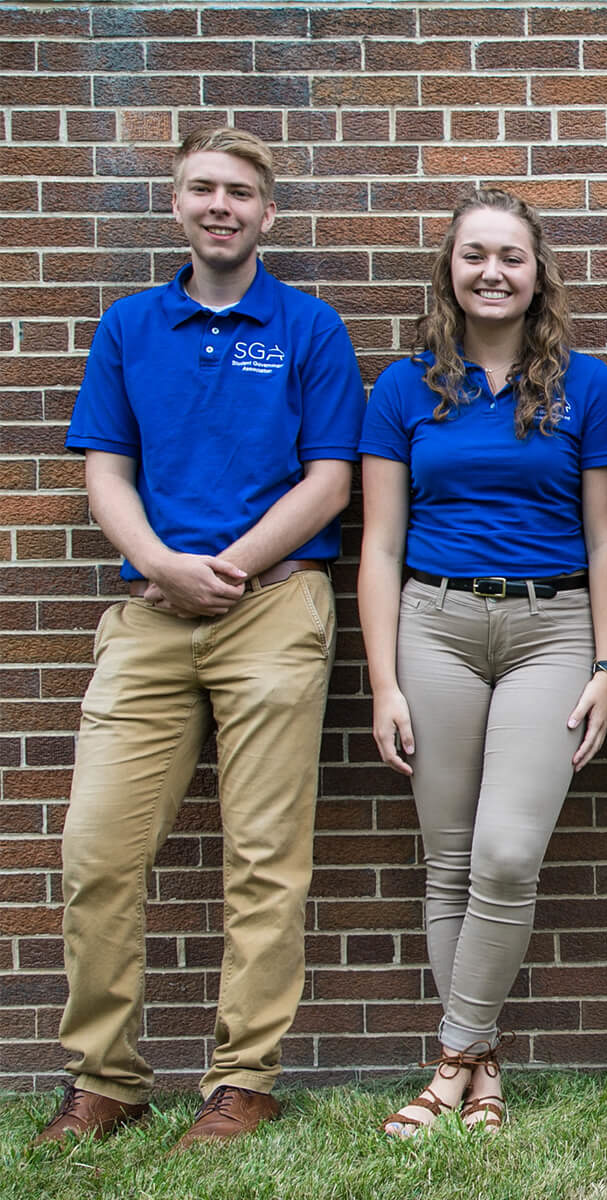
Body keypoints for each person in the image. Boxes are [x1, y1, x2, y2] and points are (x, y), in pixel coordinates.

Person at [39, 128, 363, 1148]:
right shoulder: (130, 326)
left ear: (268, 213)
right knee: (97, 850)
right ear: (177, 205)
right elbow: (106, 469)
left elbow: (330, 479)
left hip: (275, 606)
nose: (220, 205)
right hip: (150, 615)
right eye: (202, 189)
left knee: (265, 857)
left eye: (240, 192)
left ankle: (243, 1082)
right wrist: (160, 563)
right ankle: (106, 1081)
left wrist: (229, 569)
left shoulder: (309, 327)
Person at [357, 188, 607, 1134]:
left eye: (511, 256)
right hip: (432, 625)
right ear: (450, 269)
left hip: (552, 629)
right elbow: (379, 546)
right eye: (475, 254)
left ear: (537, 273)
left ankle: (447, 1066)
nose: (492, 272)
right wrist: (384, 682)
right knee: (450, 861)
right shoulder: (405, 389)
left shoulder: (587, 386)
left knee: (507, 855)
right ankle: (483, 1069)